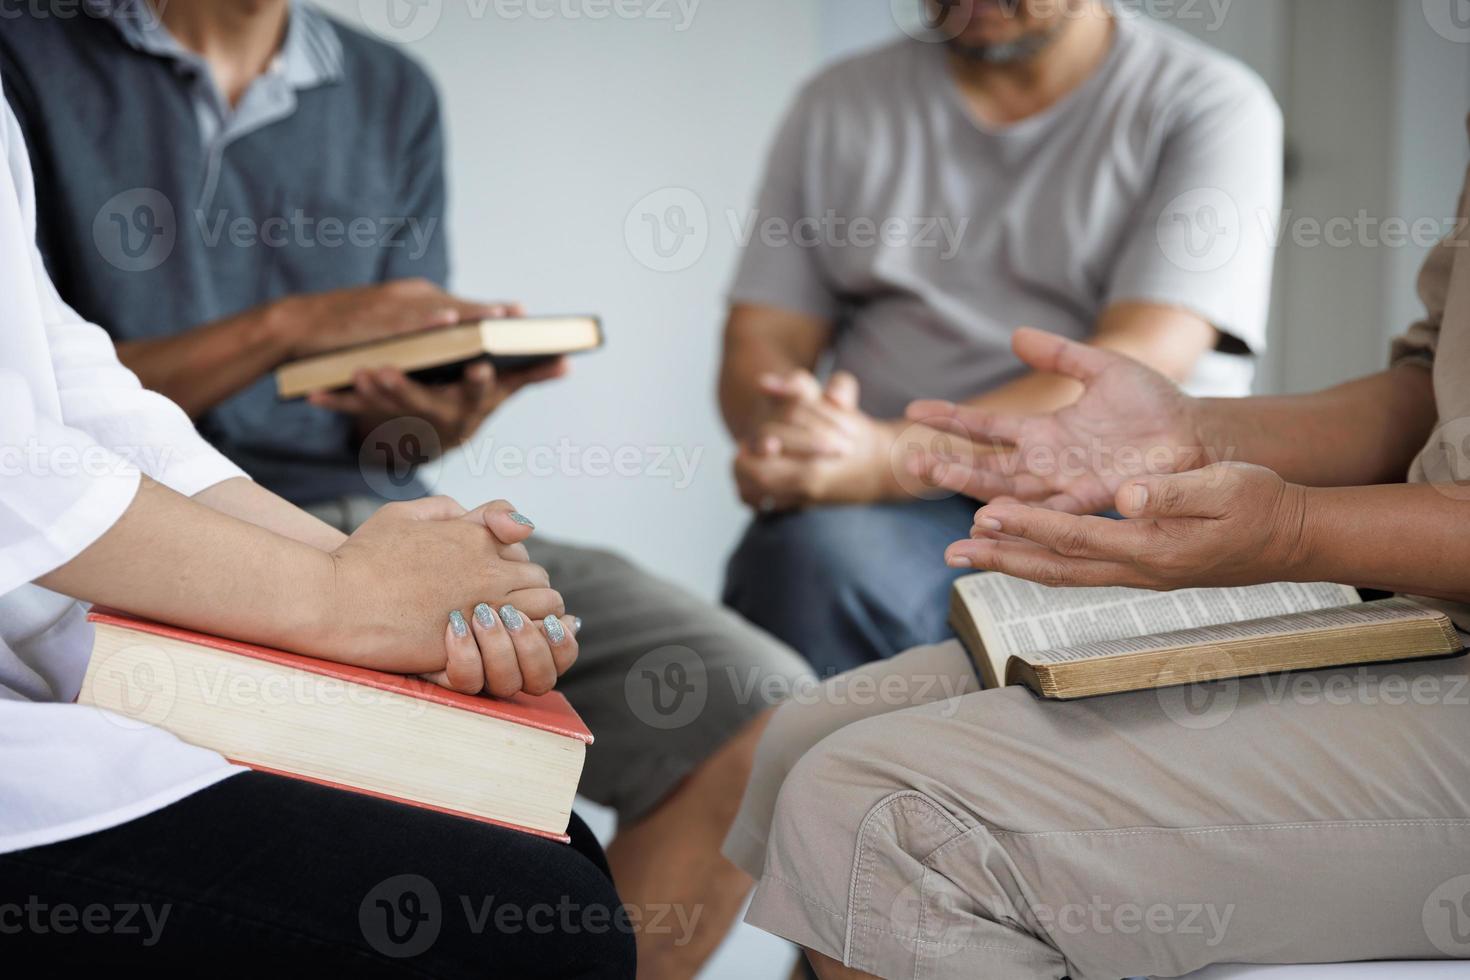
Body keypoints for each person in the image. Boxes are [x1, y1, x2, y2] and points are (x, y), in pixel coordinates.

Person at [0, 3, 813, 974]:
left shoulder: (389, 91)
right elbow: (36, 446)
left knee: (740, 718)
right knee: (547, 914)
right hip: (136, 550)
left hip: (329, 507)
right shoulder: (30, 49)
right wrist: (297, 338)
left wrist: (419, 462)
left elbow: (76, 379)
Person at [719, 139, 1470, 978]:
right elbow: (1429, 388)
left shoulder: (1192, 103)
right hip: (1421, 602)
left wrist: (1294, 531)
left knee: (880, 817)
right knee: (808, 734)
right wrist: (1192, 433)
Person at [720, 0, 1282, 673]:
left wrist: (892, 456)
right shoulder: (837, 104)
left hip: (1115, 497)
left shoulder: (1208, 103)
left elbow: (1138, 361)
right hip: (883, 507)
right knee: (803, 560)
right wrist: (789, 431)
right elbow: (764, 334)